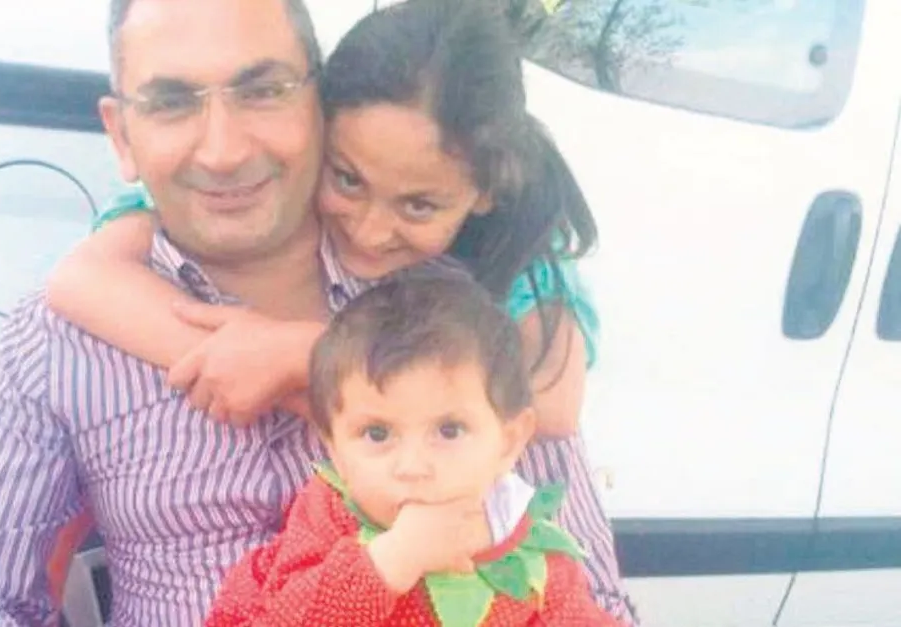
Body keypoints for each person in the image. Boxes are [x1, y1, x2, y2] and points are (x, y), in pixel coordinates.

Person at [45, 0, 638, 623]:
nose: (372, 229)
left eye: (418, 206)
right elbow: (79, 279)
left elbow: (552, 407)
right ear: (319, 130)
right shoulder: (171, 229)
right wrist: (242, 352)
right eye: (348, 179)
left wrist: (312, 358)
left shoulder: (504, 279)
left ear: (484, 194)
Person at [0, 0, 372, 624]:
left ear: (321, 105)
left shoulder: (448, 305)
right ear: (121, 136)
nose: (223, 151)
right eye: (171, 103)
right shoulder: (58, 344)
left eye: (263, 91)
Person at [203, 272, 620, 626]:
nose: (413, 466)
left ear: (508, 441)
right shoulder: (326, 519)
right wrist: (388, 563)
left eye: (449, 430)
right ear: (336, 450)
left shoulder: (525, 545)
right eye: (377, 434)